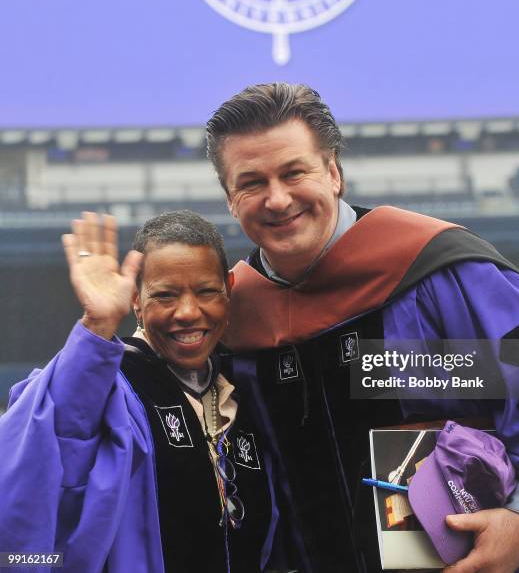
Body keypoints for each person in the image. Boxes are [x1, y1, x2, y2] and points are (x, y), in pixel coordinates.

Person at [205, 82, 519, 573]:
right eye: (252, 183)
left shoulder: (446, 273)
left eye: (294, 172)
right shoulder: (233, 321)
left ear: (333, 173)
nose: (278, 199)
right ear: (229, 198)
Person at [0, 210, 297, 572]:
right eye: (165, 295)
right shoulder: (108, 386)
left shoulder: (244, 393)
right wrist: (97, 326)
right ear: (137, 300)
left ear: (228, 289)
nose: (188, 312)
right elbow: (45, 456)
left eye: (206, 291)